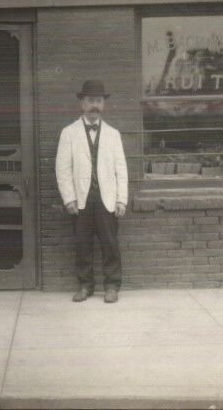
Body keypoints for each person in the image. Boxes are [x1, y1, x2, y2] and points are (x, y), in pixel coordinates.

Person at [55, 80, 128, 303]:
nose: (94, 105)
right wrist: (69, 198)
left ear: (103, 104)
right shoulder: (69, 133)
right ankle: (85, 286)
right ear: (82, 103)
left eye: (98, 101)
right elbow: (62, 168)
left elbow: (121, 169)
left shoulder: (113, 134)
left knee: (110, 244)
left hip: (107, 199)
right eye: (90, 100)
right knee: (82, 244)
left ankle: (112, 286)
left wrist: (121, 200)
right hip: (81, 199)